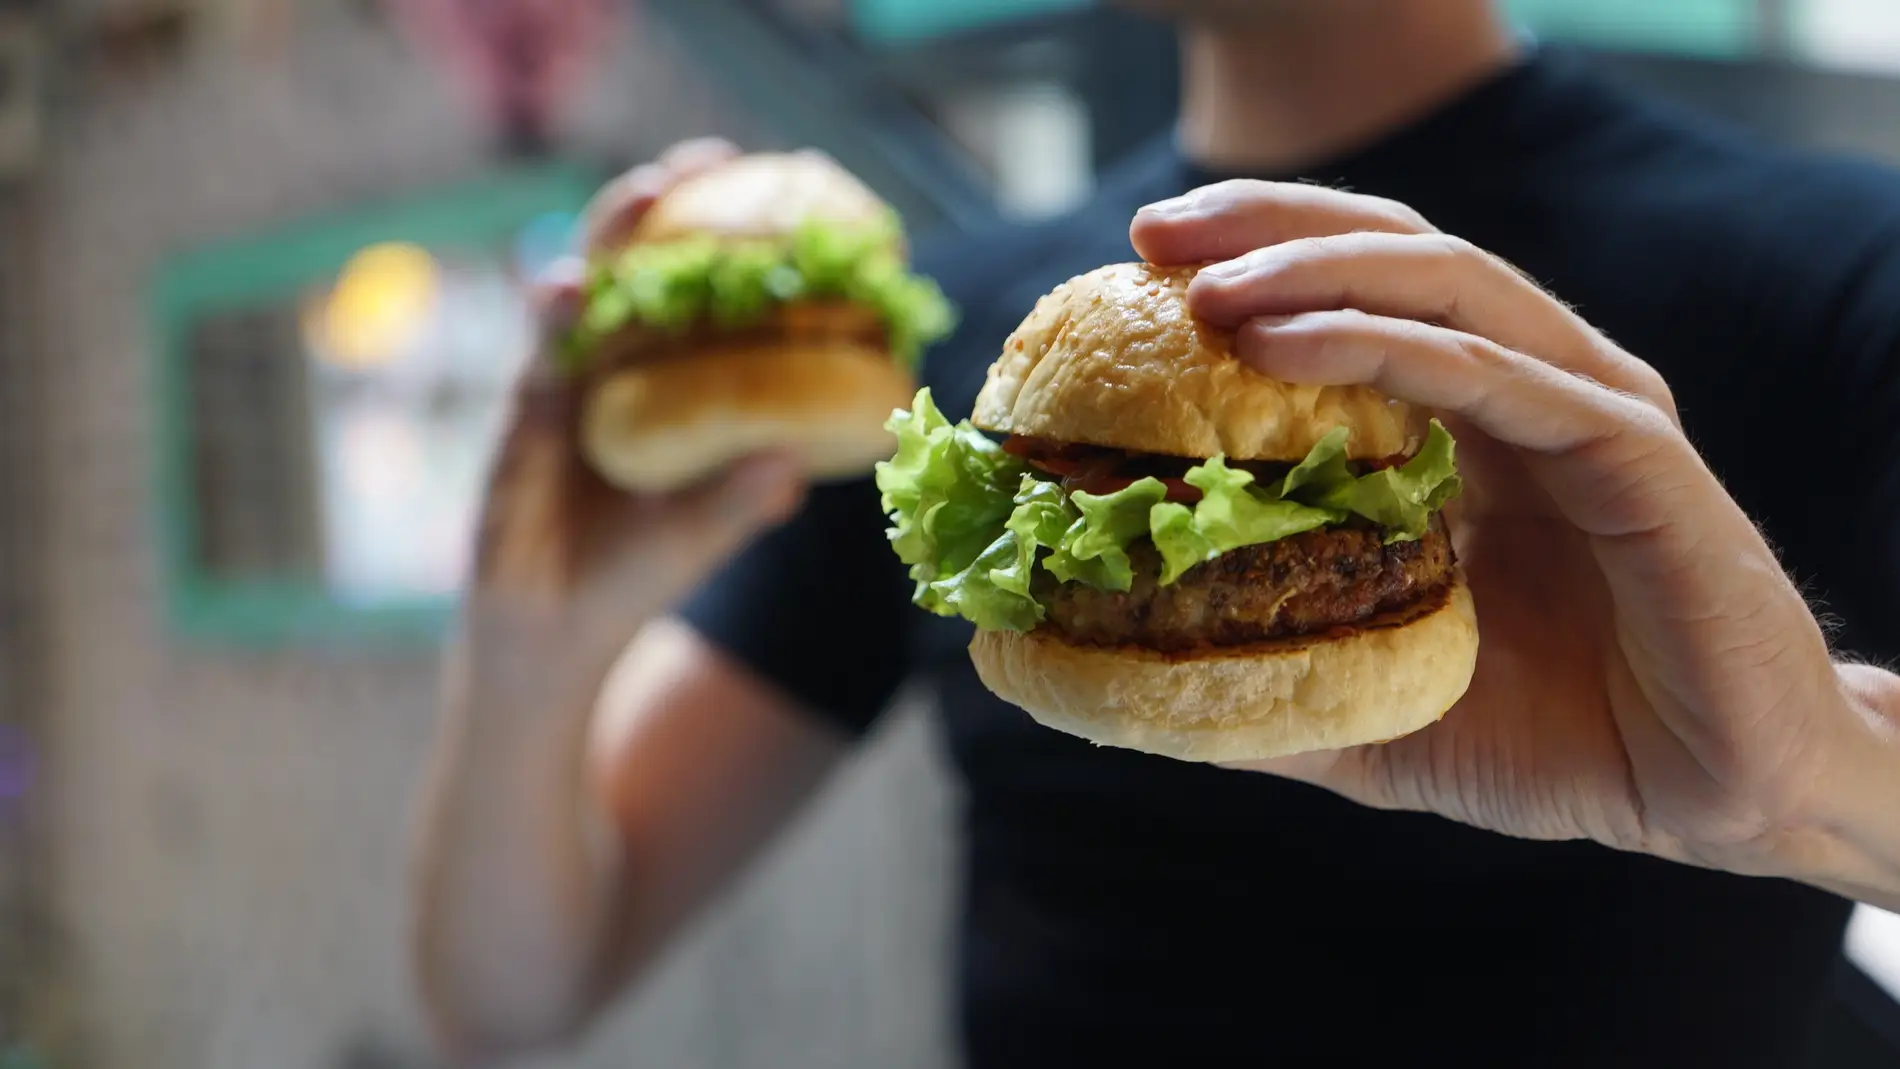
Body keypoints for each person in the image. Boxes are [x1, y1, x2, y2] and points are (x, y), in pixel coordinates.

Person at [409, 1, 1900, 1065]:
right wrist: (529, 652)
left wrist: (1814, 787)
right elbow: (515, 998)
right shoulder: (961, 340)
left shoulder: (1846, 267)